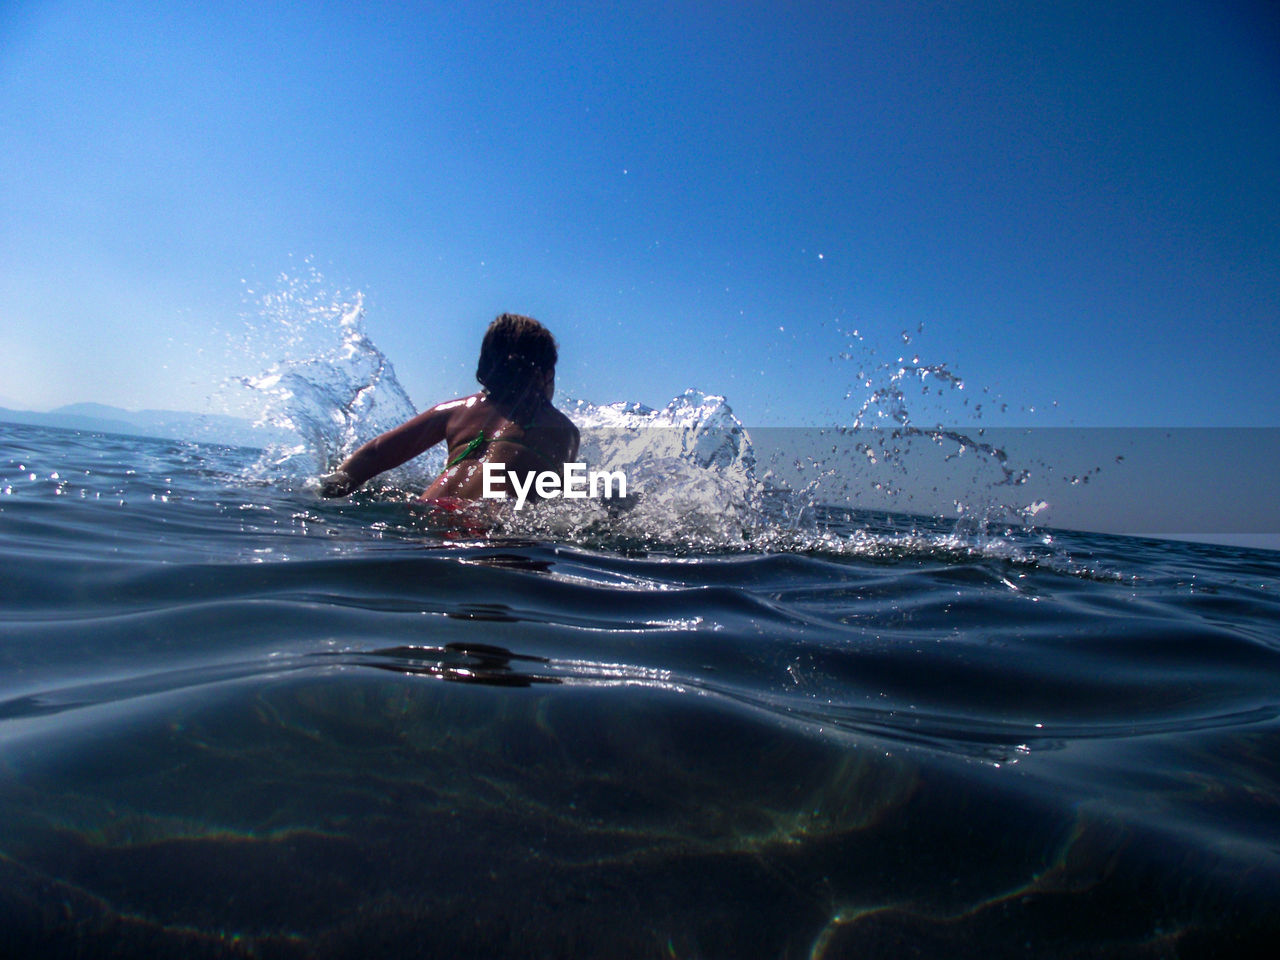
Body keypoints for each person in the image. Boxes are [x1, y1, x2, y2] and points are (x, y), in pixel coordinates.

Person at [318, 313, 580, 505]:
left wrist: (330, 488)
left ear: (483, 366)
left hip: (426, 512)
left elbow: (376, 452)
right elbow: (554, 503)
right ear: (547, 376)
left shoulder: (457, 411)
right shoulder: (562, 430)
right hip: (485, 531)